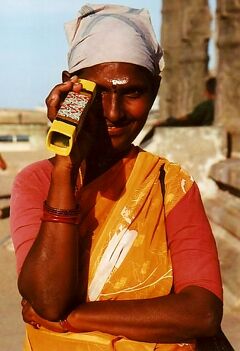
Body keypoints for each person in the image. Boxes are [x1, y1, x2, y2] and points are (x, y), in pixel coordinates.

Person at [10, 4, 223, 351]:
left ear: (154, 90)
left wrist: (74, 318)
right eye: (99, 92)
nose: (113, 112)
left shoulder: (170, 185)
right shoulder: (37, 182)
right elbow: (48, 297)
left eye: (132, 93)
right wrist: (65, 165)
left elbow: (202, 312)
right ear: (70, 88)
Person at [151, 77, 217, 127]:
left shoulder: (207, 106)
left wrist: (165, 123)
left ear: (207, 92)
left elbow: (190, 119)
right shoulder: (215, 106)